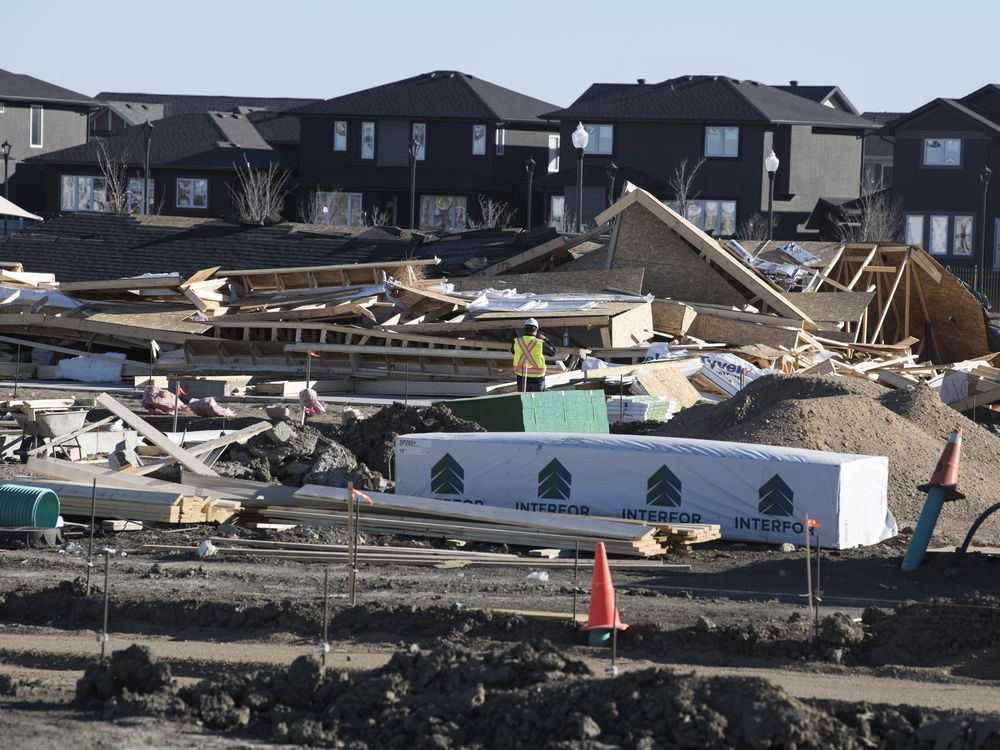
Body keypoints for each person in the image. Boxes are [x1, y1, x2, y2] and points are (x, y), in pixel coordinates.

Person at [511, 318, 556, 392]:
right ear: (536, 329)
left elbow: (513, 352)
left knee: (524, 401)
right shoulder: (539, 343)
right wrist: (545, 339)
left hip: (521, 376)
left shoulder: (517, 342)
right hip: (537, 378)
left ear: (525, 328)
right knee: (538, 401)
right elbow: (553, 352)